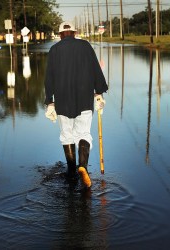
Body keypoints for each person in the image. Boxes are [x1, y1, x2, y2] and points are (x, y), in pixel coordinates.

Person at [44, 21, 108, 188]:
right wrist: (99, 92)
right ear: (74, 32)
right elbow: (95, 69)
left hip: (62, 100)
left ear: (60, 34)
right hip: (84, 99)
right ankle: (83, 167)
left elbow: (49, 78)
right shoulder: (85, 46)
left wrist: (49, 101)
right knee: (84, 133)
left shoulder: (54, 50)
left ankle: (71, 171)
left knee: (67, 134)